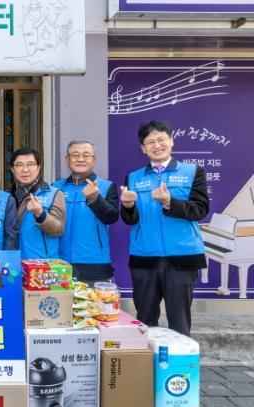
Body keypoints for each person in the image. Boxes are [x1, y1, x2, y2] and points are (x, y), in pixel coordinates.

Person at [121, 120, 209, 336]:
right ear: (143, 148)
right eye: (150, 142)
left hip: (182, 256)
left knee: (179, 323)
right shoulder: (133, 177)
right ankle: (147, 358)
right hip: (144, 257)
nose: (156, 145)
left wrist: (169, 202)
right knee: (145, 321)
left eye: (161, 139)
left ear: (171, 141)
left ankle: (180, 359)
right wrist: (128, 206)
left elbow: (200, 209)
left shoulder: (193, 171)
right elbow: (130, 220)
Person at [53, 140, 119, 282]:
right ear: (67, 159)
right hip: (59, 261)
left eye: (86, 155)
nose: (80, 159)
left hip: (95, 263)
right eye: (75, 155)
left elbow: (111, 217)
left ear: (94, 159)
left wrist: (95, 198)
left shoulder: (106, 186)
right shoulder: (55, 188)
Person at [11, 148, 65, 259]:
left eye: (30, 164)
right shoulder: (6, 197)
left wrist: (40, 214)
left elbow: (58, 230)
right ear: (12, 169)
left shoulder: (54, 193)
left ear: (38, 168)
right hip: (11, 261)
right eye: (19, 165)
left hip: (41, 264)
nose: (25, 169)